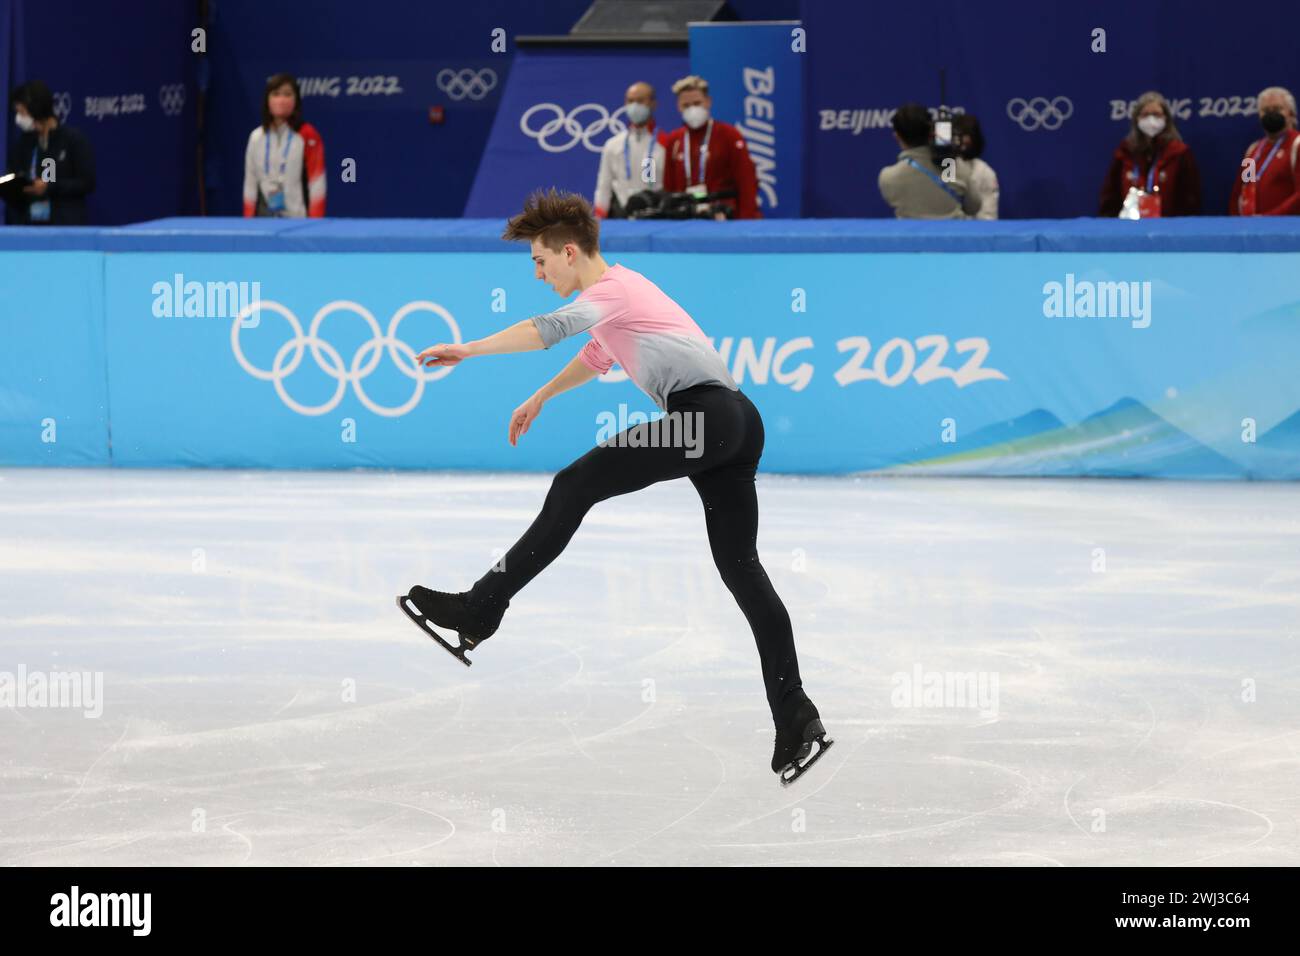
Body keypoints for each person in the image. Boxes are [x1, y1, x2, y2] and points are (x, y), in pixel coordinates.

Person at [397, 188, 831, 785]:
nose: (539, 273)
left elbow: (548, 330)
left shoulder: (612, 292)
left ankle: (480, 607)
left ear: (569, 251)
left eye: (540, 262)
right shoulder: (620, 300)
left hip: (707, 420)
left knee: (575, 484)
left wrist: (468, 350)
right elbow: (595, 356)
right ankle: (796, 718)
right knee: (741, 568)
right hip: (733, 423)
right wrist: (541, 397)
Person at [661, 75, 760, 219]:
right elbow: (668, 186)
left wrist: (746, 221)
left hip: (723, 216)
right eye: (686, 105)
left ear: (708, 102)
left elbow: (746, 181)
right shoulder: (674, 140)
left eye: (697, 103)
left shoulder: (729, 135)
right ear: (678, 107)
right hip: (685, 218)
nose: (692, 109)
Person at [5, 80, 95, 225]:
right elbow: (15, 173)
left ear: (36, 109)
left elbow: (87, 182)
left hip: (64, 226)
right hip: (31, 226)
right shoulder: (25, 143)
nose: (19, 118)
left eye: (22, 112)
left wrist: (49, 187)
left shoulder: (72, 140)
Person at [1099, 91, 1201, 217]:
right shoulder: (1125, 152)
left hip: (1170, 226)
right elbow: (1110, 195)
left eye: (1156, 114)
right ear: (1137, 119)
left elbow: (1191, 197)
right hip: (1128, 226)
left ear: (1166, 118)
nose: (1151, 119)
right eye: (1145, 114)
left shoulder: (1179, 152)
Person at [242, 73, 326, 217]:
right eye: (276, 94)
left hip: (298, 221)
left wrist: (314, 224)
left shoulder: (308, 135)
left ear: (296, 101)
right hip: (262, 221)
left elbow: (317, 184)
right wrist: (249, 223)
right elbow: (250, 183)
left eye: (287, 94)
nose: (281, 100)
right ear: (267, 100)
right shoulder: (256, 137)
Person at [878, 102, 981, 219]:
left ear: (897, 137)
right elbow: (974, 206)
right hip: (953, 235)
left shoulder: (888, 177)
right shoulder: (952, 165)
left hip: (911, 236)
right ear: (931, 131)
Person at [594, 81, 667, 219]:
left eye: (640, 100)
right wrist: (599, 220)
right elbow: (604, 185)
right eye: (630, 101)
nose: (634, 106)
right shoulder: (612, 145)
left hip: (655, 216)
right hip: (621, 216)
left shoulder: (665, 143)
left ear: (653, 104)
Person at [1228, 86, 1300, 216]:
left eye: (1278, 109)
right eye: (1265, 110)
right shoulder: (1253, 151)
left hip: (1287, 231)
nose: (1271, 114)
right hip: (1250, 229)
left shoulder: (1297, 145)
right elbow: (1242, 189)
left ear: (1291, 113)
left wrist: (1268, 219)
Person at [952, 113, 999, 220]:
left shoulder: (985, 172)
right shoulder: (946, 167)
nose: (963, 140)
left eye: (966, 134)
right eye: (957, 135)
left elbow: (989, 217)